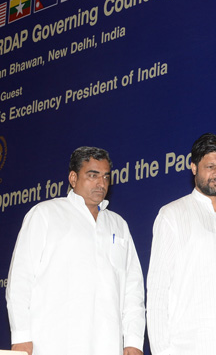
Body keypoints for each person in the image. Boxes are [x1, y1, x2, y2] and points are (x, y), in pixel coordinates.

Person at [6, 146, 146, 355]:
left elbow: (133, 291)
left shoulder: (119, 225)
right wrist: (21, 336)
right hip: (53, 344)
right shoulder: (45, 214)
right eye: (93, 175)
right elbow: (20, 280)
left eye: (106, 177)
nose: (101, 183)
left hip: (108, 344)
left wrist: (133, 342)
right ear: (73, 178)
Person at [147, 133, 216, 355]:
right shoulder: (172, 215)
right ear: (193, 167)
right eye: (210, 166)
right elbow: (158, 291)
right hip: (188, 346)